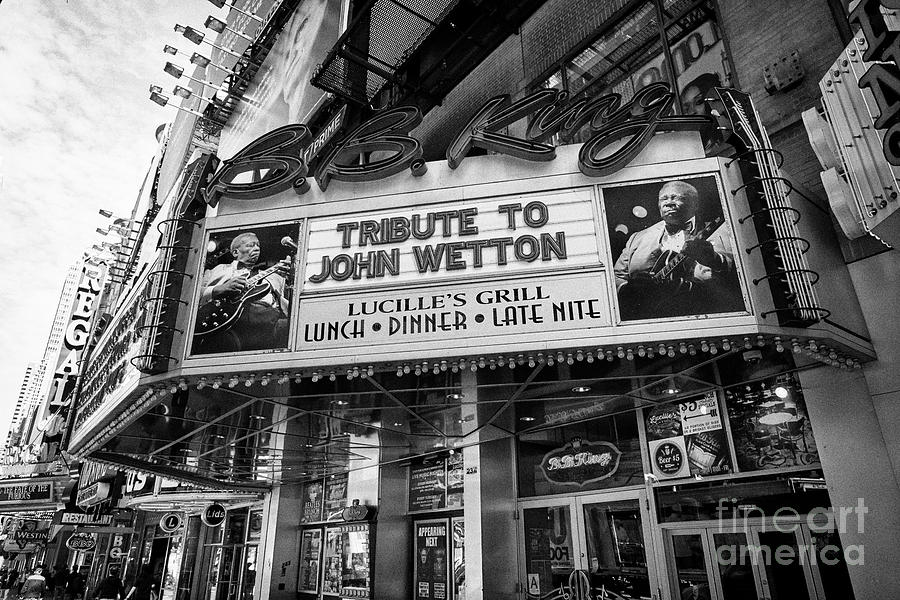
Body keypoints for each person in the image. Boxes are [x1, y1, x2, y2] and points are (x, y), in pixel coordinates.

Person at [614, 180, 742, 320]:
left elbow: (738, 274)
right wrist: (627, 291)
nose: (669, 203)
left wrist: (714, 259)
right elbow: (617, 277)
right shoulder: (637, 238)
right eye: (664, 198)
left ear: (695, 204)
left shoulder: (719, 230)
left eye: (677, 198)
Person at [194, 232, 293, 354]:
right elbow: (192, 296)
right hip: (227, 321)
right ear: (236, 252)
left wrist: (292, 273)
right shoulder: (216, 271)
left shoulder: (274, 275)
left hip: (267, 322)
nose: (256, 248)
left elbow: (286, 302)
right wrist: (221, 288)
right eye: (250, 245)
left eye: (258, 246)